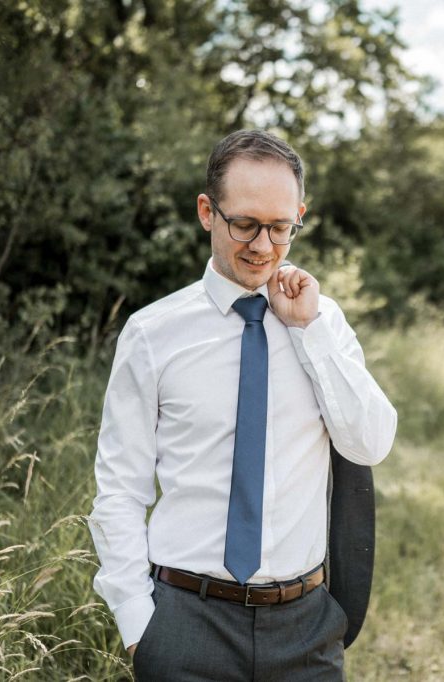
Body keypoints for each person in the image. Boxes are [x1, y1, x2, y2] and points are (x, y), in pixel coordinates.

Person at [88, 129, 397, 681]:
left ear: (299, 215)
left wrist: (310, 333)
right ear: (208, 211)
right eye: (245, 224)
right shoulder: (152, 334)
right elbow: (120, 490)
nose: (262, 246)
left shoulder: (324, 324)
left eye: (281, 228)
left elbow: (370, 442)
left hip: (305, 628)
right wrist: (140, 629)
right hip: (185, 623)